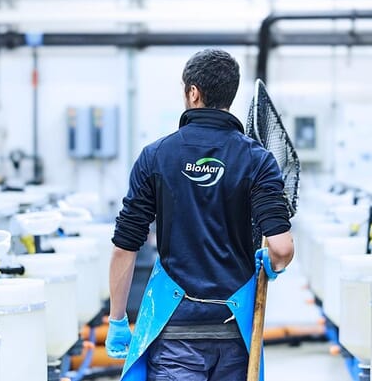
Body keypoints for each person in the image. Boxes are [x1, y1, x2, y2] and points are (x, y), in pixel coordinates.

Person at [105, 49, 294, 381]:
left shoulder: (156, 156)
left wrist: (118, 319)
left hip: (175, 332)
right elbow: (281, 248)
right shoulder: (258, 160)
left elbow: (125, 246)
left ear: (193, 92)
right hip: (234, 333)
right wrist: (271, 263)